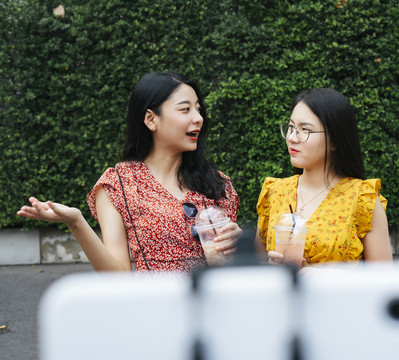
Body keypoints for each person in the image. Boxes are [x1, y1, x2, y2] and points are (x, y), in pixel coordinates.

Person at [18, 72, 242, 273]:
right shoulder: (119, 184)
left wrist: (241, 246)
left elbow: (234, 268)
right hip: (157, 312)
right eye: (185, 109)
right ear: (151, 119)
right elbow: (118, 277)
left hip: (215, 312)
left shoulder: (218, 183)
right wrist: (76, 222)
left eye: (198, 109)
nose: (198, 118)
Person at [256, 88, 392, 267]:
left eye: (305, 130)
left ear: (335, 140)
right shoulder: (274, 192)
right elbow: (255, 268)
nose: (291, 138)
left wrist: (328, 275)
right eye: (290, 127)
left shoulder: (362, 199)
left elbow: (383, 278)